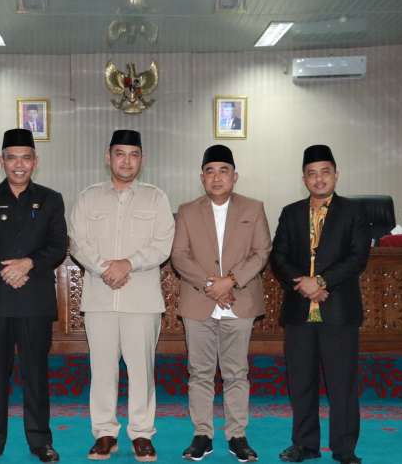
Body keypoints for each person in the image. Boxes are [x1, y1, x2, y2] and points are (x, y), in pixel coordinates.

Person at [69, 129, 175, 462]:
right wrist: (106, 269)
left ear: (141, 159)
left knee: (142, 370)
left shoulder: (156, 198)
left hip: (141, 299)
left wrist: (128, 264)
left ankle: (142, 434)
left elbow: (163, 244)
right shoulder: (88, 198)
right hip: (100, 298)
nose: (126, 161)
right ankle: (104, 433)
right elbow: (77, 242)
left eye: (133, 154)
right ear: (108, 157)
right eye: (120, 154)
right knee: (101, 370)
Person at [0, 128, 67, 464]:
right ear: (1, 161)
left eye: (25, 158)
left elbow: (58, 246)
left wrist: (29, 264)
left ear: (35, 161)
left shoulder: (51, 199)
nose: (19, 164)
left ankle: (41, 441)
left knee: (36, 375)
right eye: (12, 158)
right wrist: (5, 269)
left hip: (34, 301)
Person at [271, 145, 370, 464]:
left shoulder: (354, 211)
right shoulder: (291, 213)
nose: (319, 179)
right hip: (299, 310)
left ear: (336, 175)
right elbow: (278, 256)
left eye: (325, 172)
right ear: (304, 179)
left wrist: (322, 282)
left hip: (339, 310)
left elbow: (358, 257)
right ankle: (304, 444)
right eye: (312, 174)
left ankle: (344, 449)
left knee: (342, 384)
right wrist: (304, 284)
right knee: (301, 383)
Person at [171, 145, 271, 462]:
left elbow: (262, 251)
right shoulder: (187, 211)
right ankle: (202, 434)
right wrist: (210, 285)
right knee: (199, 373)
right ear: (202, 178)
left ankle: (237, 435)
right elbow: (179, 255)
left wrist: (231, 280)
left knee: (236, 372)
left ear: (234, 176)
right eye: (210, 171)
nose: (217, 177)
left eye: (223, 171)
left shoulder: (253, 208)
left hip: (239, 301)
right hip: (198, 302)